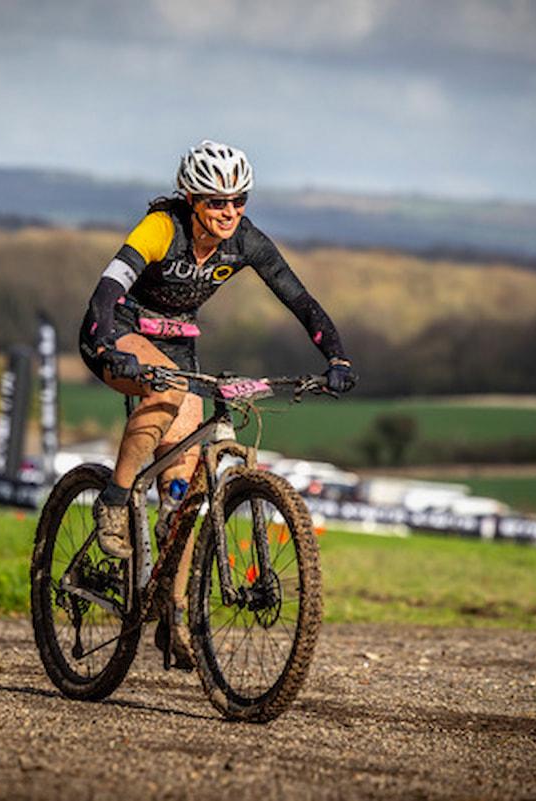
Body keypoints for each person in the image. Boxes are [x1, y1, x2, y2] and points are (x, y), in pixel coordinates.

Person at [78, 139, 355, 668]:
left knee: (183, 495)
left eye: (239, 200)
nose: (229, 211)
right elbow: (108, 288)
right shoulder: (162, 228)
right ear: (191, 198)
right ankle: (113, 499)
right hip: (119, 332)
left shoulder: (245, 241)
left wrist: (336, 357)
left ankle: (174, 613)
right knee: (168, 390)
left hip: (178, 343)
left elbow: (301, 301)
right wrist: (110, 345)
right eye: (216, 201)